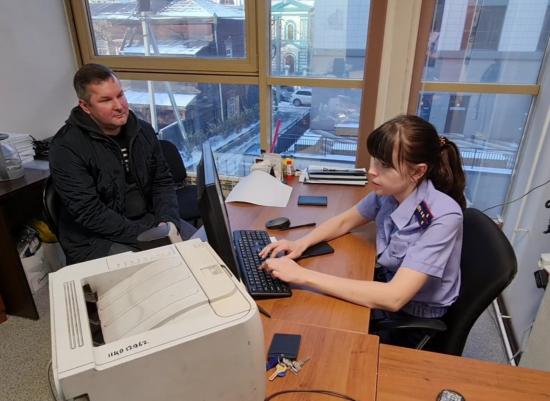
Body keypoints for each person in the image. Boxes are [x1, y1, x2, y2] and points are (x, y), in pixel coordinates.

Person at [260, 115, 466, 347]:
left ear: (417, 172)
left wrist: (302, 275)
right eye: (374, 160)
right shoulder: (390, 193)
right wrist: (300, 244)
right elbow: (345, 221)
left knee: (323, 336)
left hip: (412, 317)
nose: (371, 171)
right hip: (388, 286)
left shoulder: (443, 216)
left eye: (384, 165)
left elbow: (394, 297)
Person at [49, 63, 196, 264]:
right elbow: (90, 213)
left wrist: (167, 222)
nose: (119, 106)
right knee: (161, 270)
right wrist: (149, 235)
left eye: (120, 95)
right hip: (95, 239)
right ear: (85, 106)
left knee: (202, 251)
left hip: (148, 220)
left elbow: (161, 181)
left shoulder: (142, 131)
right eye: (106, 100)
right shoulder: (66, 148)